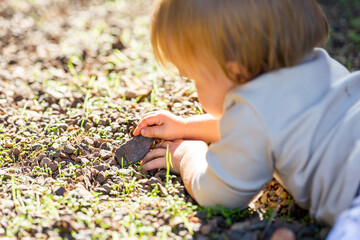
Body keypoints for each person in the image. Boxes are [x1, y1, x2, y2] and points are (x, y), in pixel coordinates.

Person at [133, 0, 360, 238]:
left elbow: (218, 194)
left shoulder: (255, 114)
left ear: (235, 71)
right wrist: (187, 126)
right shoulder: (317, 66)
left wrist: (186, 156)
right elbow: (259, 127)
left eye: (194, 78)